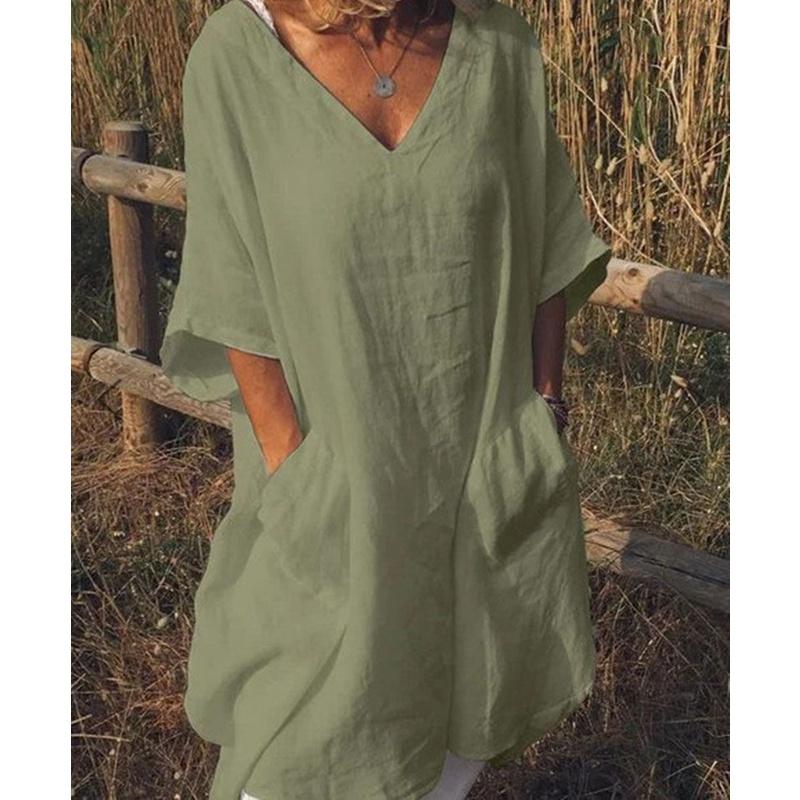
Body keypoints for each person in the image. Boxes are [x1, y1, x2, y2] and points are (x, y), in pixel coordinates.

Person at [159, 0, 613, 798]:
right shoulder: (237, 56)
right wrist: (293, 468)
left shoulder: (497, 45)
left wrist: (545, 408)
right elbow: (232, 284)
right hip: (333, 496)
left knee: (450, 744)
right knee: (291, 756)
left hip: (479, 491)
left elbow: (547, 243)